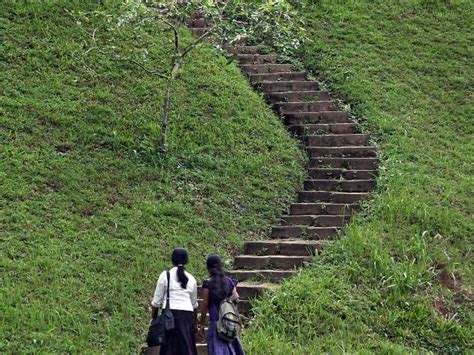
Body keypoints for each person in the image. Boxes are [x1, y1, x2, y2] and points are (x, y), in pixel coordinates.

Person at [151, 248, 198, 355]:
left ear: (172, 260)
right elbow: (194, 305)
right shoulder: (191, 279)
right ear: (187, 261)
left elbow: (156, 302)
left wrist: (153, 318)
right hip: (186, 317)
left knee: (168, 349)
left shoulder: (165, 275)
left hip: (169, 316)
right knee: (187, 349)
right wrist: (195, 323)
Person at [198, 255, 245, 355]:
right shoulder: (230, 282)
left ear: (208, 268)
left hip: (215, 322)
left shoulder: (208, 284)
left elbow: (205, 305)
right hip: (229, 320)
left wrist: (201, 324)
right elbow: (236, 300)